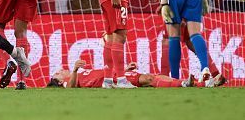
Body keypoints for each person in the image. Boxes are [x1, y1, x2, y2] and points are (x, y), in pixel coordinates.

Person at [47, 59, 196, 88]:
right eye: (57, 74)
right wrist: (74, 70)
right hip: (115, 81)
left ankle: (191, 82)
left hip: (114, 76)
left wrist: (123, 69)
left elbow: (100, 73)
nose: (60, 71)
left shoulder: (79, 75)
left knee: (152, 76)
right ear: (60, 82)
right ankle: (184, 83)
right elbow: (70, 88)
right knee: (149, 79)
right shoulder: (69, 83)